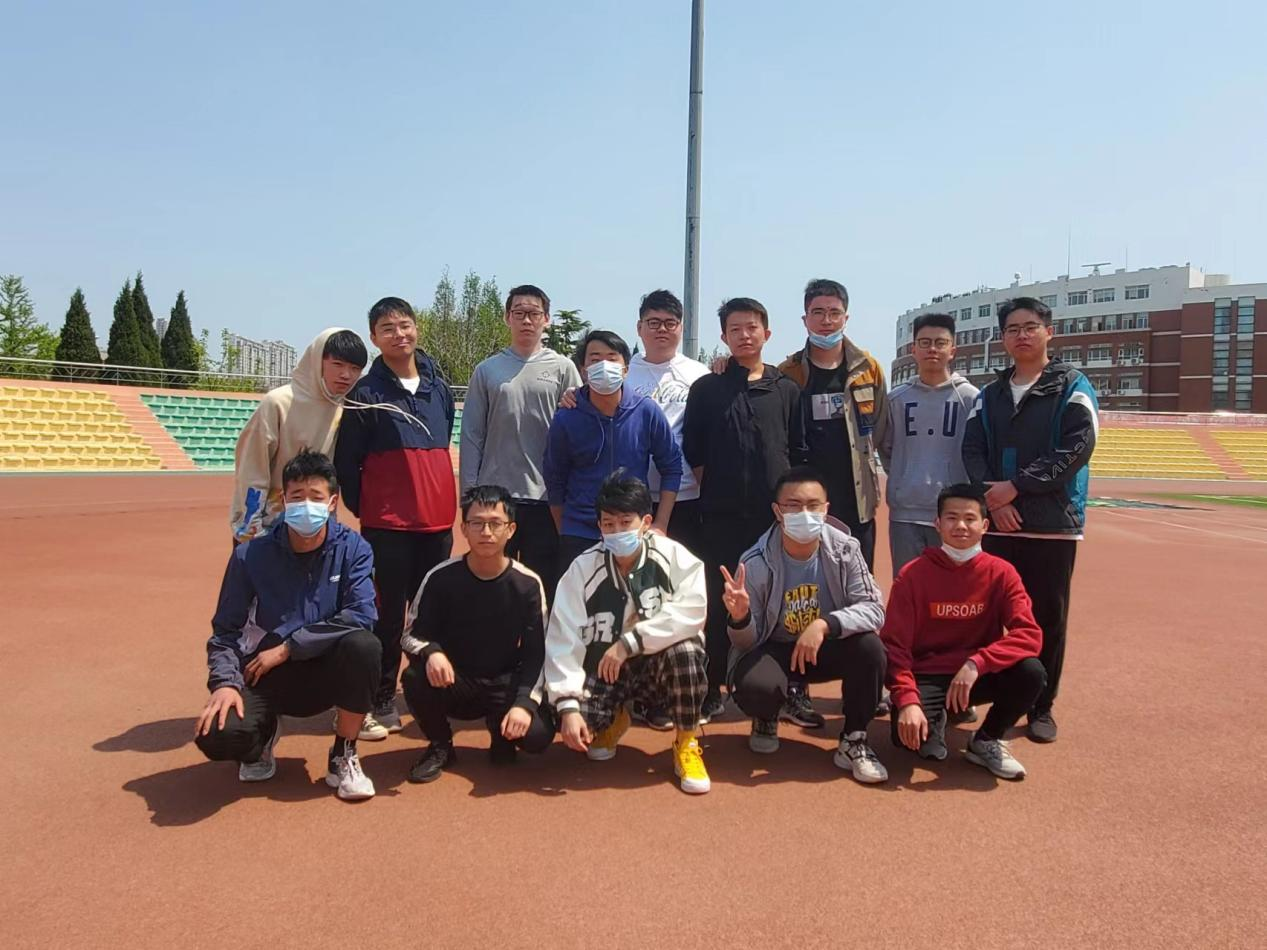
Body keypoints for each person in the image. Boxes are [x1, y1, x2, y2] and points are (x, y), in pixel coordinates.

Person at [194, 450, 381, 801]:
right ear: (283, 500)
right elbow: (225, 631)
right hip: (264, 673)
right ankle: (262, 737)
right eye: (297, 496)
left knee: (365, 646)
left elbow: (362, 613)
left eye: (316, 497)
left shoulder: (354, 549)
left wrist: (290, 647)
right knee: (216, 735)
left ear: (332, 502)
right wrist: (224, 683)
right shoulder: (250, 555)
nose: (306, 505)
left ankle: (344, 752)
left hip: (324, 669)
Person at [962, 296, 1098, 744]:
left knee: (1046, 620)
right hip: (999, 523)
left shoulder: (1072, 386)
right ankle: (988, 695)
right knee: (988, 616)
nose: (1021, 335)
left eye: (1030, 326)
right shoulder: (990, 395)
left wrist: (1017, 486)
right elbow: (972, 450)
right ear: (1002, 337)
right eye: (1012, 329)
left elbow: (1077, 447)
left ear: (1048, 332)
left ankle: (1041, 705)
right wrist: (994, 500)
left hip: (1050, 526)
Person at [334, 297, 457, 741]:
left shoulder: (439, 388)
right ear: (374, 338)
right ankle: (382, 696)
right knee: (387, 616)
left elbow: (443, 440)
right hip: (387, 527)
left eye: (404, 325)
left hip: (437, 524)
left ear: (416, 328)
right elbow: (347, 462)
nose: (398, 334)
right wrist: (368, 509)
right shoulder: (364, 394)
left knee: (433, 614)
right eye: (387, 328)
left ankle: (425, 692)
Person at [543, 471, 711, 794]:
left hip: (658, 670)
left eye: (625, 522)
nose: (617, 531)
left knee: (687, 650)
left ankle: (687, 742)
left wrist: (630, 642)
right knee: (573, 724)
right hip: (605, 672)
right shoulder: (581, 569)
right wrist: (568, 705)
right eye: (608, 524)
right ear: (599, 527)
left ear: (645, 522)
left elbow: (693, 611)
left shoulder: (674, 557)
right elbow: (563, 637)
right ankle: (613, 718)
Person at [721, 466, 889, 784]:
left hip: (825, 647)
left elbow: (874, 609)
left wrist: (825, 624)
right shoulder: (755, 561)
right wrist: (740, 617)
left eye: (813, 506)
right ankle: (767, 715)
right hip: (776, 649)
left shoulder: (846, 549)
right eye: (793, 506)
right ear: (777, 511)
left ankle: (854, 738)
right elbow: (745, 644)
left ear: (826, 509)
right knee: (755, 684)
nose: (804, 514)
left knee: (870, 648)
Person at [681, 297, 803, 723]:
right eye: (735, 329)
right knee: (720, 602)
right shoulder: (707, 389)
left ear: (767, 333)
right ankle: (712, 686)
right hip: (720, 518)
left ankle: (789, 688)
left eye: (752, 327)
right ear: (724, 336)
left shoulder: (787, 390)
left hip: (774, 520)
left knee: (782, 601)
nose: (744, 335)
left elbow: (797, 449)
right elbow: (694, 450)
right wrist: (718, 489)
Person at [881, 484, 1046, 779]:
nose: (960, 526)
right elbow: (895, 645)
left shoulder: (1002, 573)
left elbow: (1029, 634)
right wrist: (906, 700)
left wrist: (977, 663)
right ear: (937, 524)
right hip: (928, 674)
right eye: (951, 518)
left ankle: (986, 740)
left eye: (970, 519)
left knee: (1032, 673)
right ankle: (940, 714)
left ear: (985, 526)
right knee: (908, 740)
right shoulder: (912, 575)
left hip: (975, 675)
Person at [400, 485, 556, 783]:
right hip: (455, 681)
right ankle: (441, 746)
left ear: (510, 530)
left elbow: (537, 652)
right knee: (415, 676)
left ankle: (502, 735)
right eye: (477, 523)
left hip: (504, 681)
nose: (486, 532)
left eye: (495, 524)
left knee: (537, 736)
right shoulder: (440, 577)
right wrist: (432, 652)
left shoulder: (527, 584)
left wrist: (524, 705)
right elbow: (409, 636)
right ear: (463, 529)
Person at [459, 285, 581, 601]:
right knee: (492, 585)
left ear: (546, 319)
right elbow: (471, 434)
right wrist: (470, 495)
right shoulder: (487, 370)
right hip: (496, 497)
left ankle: (540, 636)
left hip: (546, 498)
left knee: (544, 585)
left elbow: (578, 430)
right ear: (507, 318)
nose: (527, 320)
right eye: (519, 313)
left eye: (534, 313)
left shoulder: (563, 368)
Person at [542, 329, 683, 579]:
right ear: (583, 370)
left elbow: (671, 466)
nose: (604, 366)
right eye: (595, 359)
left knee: (635, 601)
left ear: (626, 369)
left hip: (633, 531)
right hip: (580, 534)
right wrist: (566, 528)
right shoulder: (566, 418)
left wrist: (660, 524)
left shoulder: (646, 411)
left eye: (612, 358)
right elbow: (554, 478)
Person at [776, 278, 888, 571]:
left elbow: (879, 426)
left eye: (834, 312)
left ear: (845, 318)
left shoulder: (868, 368)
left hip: (857, 496)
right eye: (818, 312)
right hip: (807, 499)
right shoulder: (787, 372)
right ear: (805, 319)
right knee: (810, 575)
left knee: (859, 576)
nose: (826, 321)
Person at [230, 328, 368, 543]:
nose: (346, 375)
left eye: (355, 368)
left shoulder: (346, 407)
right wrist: (251, 528)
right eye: (338, 364)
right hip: (268, 526)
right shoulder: (278, 402)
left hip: (317, 525)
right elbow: (252, 468)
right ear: (317, 360)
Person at [878, 312, 978, 577]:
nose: (932, 349)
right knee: (907, 584)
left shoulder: (970, 398)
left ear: (952, 350)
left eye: (940, 342)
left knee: (954, 588)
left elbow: (978, 453)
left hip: (953, 514)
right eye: (924, 343)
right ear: (913, 349)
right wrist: (905, 477)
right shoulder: (896, 399)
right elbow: (886, 449)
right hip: (905, 514)